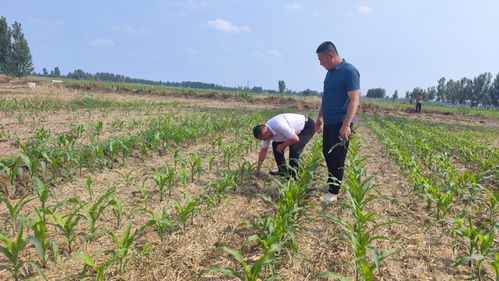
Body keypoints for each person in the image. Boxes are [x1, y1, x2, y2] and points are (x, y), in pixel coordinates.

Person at [315, 41, 361, 202]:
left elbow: (354, 100)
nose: (320, 64)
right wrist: (320, 117)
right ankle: (331, 183)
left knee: (337, 157)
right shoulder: (330, 72)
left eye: (321, 60)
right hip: (329, 122)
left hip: (341, 123)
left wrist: (346, 125)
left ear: (330, 56)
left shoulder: (349, 71)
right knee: (327, 153)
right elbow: (326, 97)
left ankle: (334, 192)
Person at [253, 113, 315, 177]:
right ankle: (282, 171)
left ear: (267, 133)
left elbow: (295, 139)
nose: (265, 140)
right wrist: (258, 169)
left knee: (294, 147)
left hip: (306, 127)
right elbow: (264, 150)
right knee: (275, 144)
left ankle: (293, 176)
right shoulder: (265, 132)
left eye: (264, 139)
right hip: (293, 131)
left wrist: (282, 145)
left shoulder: (278, 125)